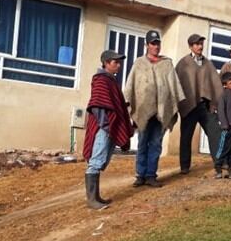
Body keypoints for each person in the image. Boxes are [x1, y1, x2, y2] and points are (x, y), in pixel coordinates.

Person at [124, 30, 185, 187]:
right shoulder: (139, 63)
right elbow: (131, 85)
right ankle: (140, 175)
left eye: (157, 43)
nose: (156, 46)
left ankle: (151, 175)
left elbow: (173, 86)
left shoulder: (167, 64)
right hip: (144, 110)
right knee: (142, 142)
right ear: (146, 45)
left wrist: (173, 105)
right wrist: (128, 103)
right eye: (153, 43)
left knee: (156, 143)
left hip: (161, 111)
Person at [83, 50, 134, 210]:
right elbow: (97, 105)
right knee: (96, 161)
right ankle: (92, 200)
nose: (118, 65)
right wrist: (106, 126)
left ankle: (96, 197)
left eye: (119, 62)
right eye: (115, 62)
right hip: (102, 127)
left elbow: (113, 104)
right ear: (106, 63)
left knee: (101, 159)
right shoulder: (101, 80)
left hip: (107, 127)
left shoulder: (111, 81)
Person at [175, 34, 223, 175]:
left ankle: (219, 164)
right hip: (189, 105)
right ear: (191, 46)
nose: (200, 46)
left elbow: (216, 84)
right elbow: (177, 83)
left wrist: (215, 103)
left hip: (205, 106)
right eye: (196, 44)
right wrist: (180, 103)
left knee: (215, 134)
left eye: (201, 43)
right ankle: (184, 166)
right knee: (186, 136)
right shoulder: (183, 63)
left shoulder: (208, 63)